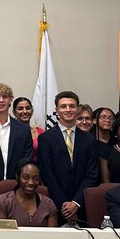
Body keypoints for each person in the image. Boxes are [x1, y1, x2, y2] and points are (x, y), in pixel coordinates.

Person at [37, 91, 99, 223]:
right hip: (55, 206)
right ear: (57, 110)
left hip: (82, 205)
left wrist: (76, 203)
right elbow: (47, 174)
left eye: (72, 106)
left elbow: (92, 174)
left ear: (77, 109)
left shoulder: (89, 140)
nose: (68, 109)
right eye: (63, 106)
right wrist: (64, 205)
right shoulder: (45, 139)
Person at [0, 159, 58, 227]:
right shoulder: (3, 202)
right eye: (25, 178)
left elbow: (53, 235)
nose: (31, 182)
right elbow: (1, 234)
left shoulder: (48, 204)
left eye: (35, 179)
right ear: (17, 177)